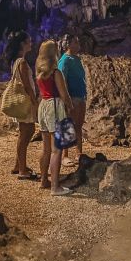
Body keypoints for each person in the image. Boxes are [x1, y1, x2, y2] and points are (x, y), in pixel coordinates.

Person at [35, 40, 74, 196]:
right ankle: (55, 187)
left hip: (43, 106)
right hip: (55, 107)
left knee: (45, 149)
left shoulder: (39, 73)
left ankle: (44, 180)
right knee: (56, 150)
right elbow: (64, 95)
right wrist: (70, 107)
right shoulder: (56, 73)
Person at [4, 31, 39, 180]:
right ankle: (22, 170)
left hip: (21, 102)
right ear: (22, 44)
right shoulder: (22, 62)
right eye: (29, 41)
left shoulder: (16, 61)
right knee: (26, 133)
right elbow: (27, 85)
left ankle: (18, 165)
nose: (31, 43)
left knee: (23, 133)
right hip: (25, 102)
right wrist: (34, 101)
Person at [58, 34, 87, 164]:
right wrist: (66, 99)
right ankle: (65, 155)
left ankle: (79, 153)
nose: (78, 44)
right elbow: (61, 80)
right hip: (71, 97)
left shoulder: (76, 59)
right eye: (76, 42)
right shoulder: (65, 60)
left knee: (79, 125)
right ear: (68, 44)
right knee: (67, 124)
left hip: (80, 96)